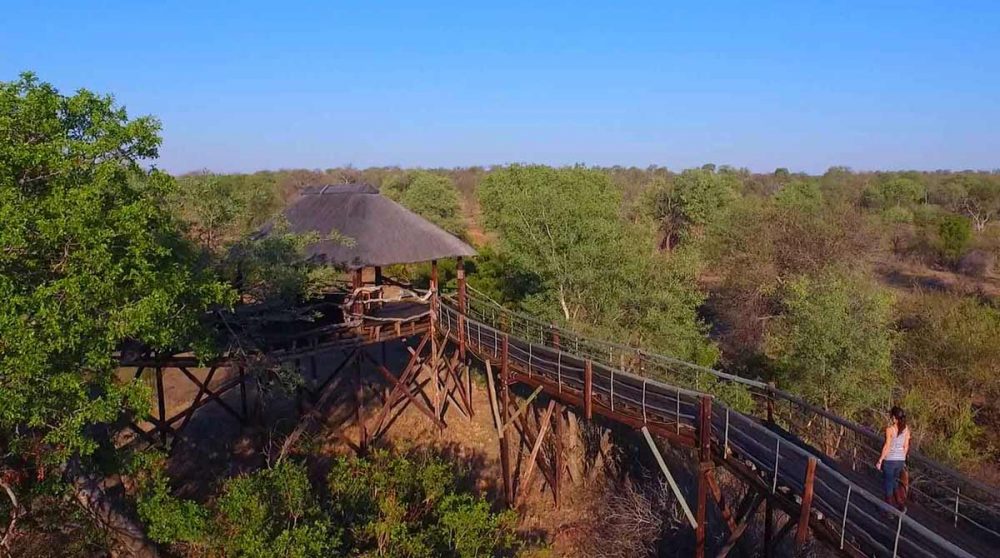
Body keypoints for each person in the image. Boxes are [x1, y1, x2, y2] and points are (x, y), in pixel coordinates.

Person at [876, 406, 910, 512]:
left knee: (888, 483)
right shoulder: (906, 430)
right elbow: (906, 446)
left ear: (894, 418)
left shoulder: (890, 430)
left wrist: (880, 460)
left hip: (890, 460)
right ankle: (900, 504)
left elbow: (887, 446)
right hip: (900, 460)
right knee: (894, 481)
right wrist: (902, 457)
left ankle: (889, 508)